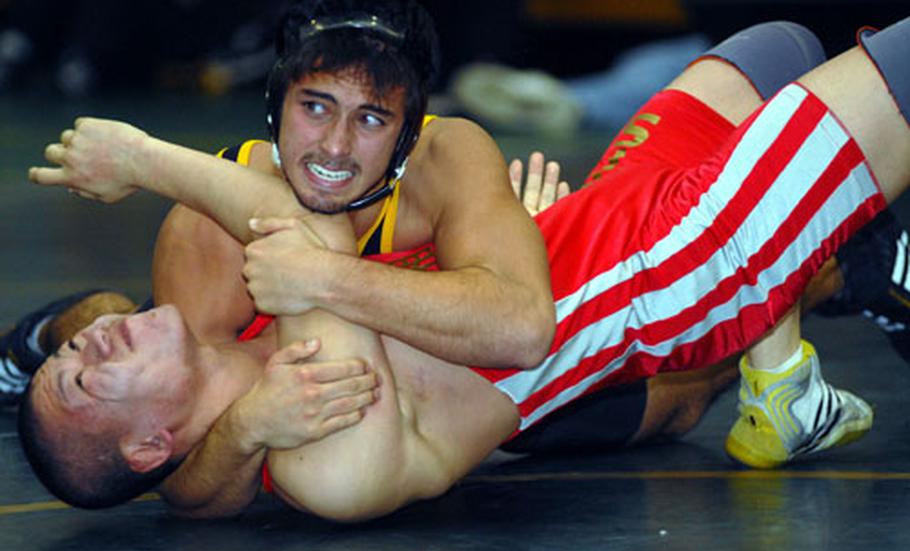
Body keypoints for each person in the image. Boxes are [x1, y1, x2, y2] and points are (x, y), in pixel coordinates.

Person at [21, 12, 910, 519]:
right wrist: (142, 156)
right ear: (147, 443)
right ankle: (812, 302)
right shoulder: (324, 455)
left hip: (596, 220)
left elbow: (196, 490)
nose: (90, 344)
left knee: (777, 47)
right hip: (685, 260)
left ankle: (782, 381)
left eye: (67, 353)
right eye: (81, 380)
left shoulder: (247, 352)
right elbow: (328, 253)